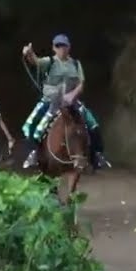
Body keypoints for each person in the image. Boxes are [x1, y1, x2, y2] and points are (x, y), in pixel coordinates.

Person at [19, 33, 109, 170]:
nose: (61, 48)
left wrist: (73, 95)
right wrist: (29, 53)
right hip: (51, 100)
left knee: (92, 124)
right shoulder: (50, 61)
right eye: (58, 46)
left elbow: (81, 83)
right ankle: (34, 154)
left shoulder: (75, 64)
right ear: (54, 48)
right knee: (32, 124)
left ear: (69, 47)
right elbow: (35, 61)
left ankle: (96, 155)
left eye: (64, 45)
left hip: (71, 101)